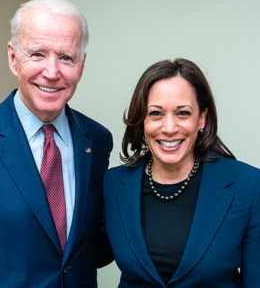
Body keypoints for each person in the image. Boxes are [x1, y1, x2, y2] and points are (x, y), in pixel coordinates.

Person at [0, 0, 113, 288]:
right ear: (13, 57)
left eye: (66, 57)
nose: (52, 72)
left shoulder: (97, 139)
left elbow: (92, 245)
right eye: (38, 54)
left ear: (81, 65)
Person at [103, 58, 260, 288]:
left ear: (202, 118)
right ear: (142, 121)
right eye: (156, 113)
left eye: (183, 113)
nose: (169, 128)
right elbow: (83, 256)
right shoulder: (113, 184)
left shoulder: (249, 186)